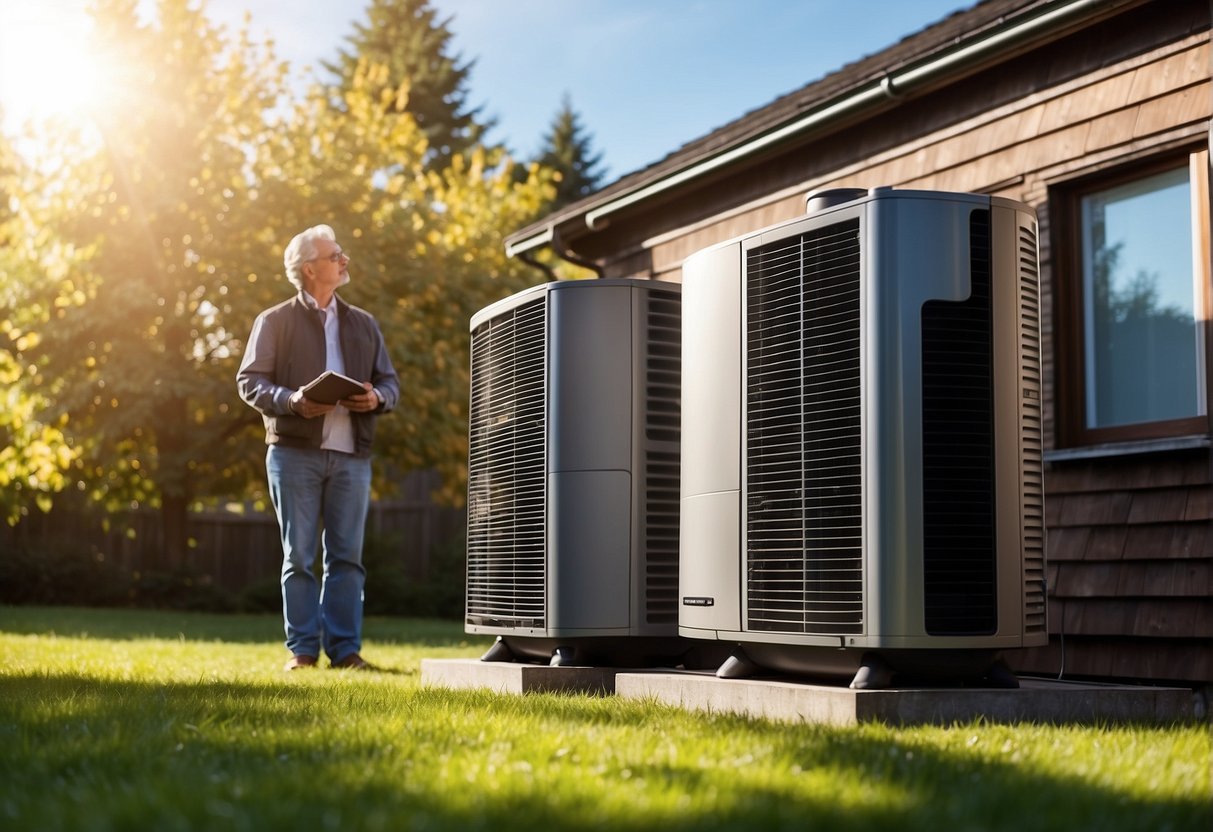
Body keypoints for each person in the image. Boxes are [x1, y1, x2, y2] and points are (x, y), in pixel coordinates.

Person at [237, 224, 399, 671]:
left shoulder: (364, 323)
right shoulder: (273, 321)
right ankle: (302, 651)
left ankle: (346, 652)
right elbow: (249, 382)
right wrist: (292, 401)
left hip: (353, 456)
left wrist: (376, 398)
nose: (344, 261)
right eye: (335, 256)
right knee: (299, 556)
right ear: (310, 269)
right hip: (293, 454)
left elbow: (390, 383)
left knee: (347, 558)